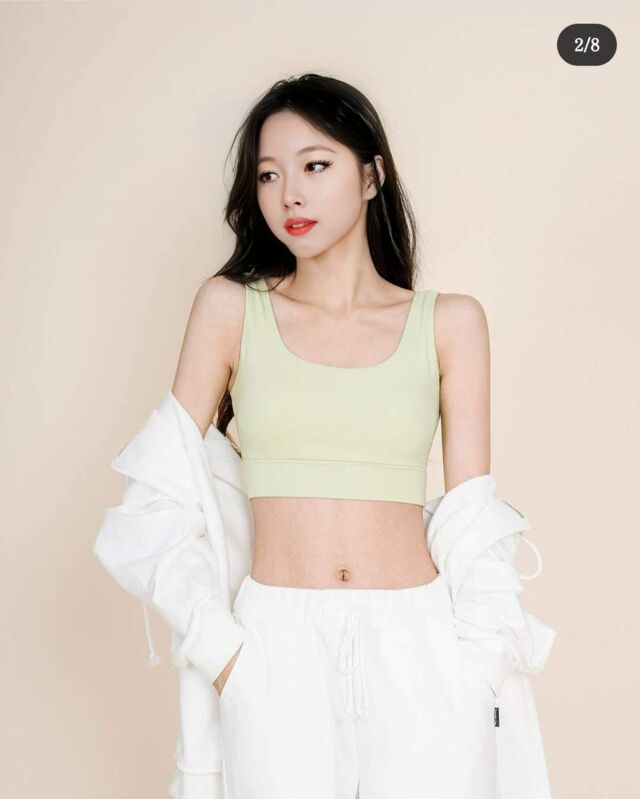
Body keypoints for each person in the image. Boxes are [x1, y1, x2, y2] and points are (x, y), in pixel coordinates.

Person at [169, 72, 498, 798]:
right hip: (274, 645)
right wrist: (226, 657)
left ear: (372, 176)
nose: (290, 194)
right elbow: (160, 497)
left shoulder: (450, 322)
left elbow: (474, 516)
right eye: (269, 175)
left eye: (315, 166)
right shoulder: (229, 310)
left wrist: (480, 668)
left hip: (421, 644)